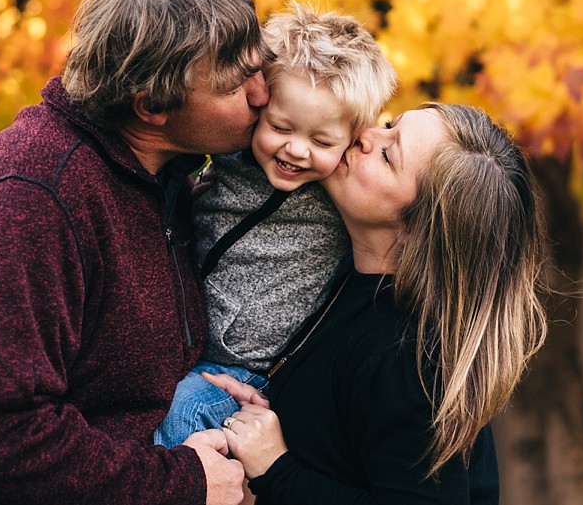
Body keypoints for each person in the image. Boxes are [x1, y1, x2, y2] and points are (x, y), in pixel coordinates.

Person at [0, 0, 268, 505]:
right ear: (152, 105)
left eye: (261, 68)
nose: (261, 94)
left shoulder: (164, 180)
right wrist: (180, 483)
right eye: (236, 83)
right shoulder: (28, 201)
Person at [207, 103, 549, 504]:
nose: (366, 134)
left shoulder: (411, 360)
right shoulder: (351, 280)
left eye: (389, 155)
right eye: (389, 124)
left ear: (417, 228)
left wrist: (276, 467)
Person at [154, 2, 396, 447]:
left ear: (352, 139)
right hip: (181, 341)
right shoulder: (227, 157)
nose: (297, 150)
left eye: (321, 140)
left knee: (181, 411)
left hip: (251, 372)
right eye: (281, 127)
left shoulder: (338, 198)